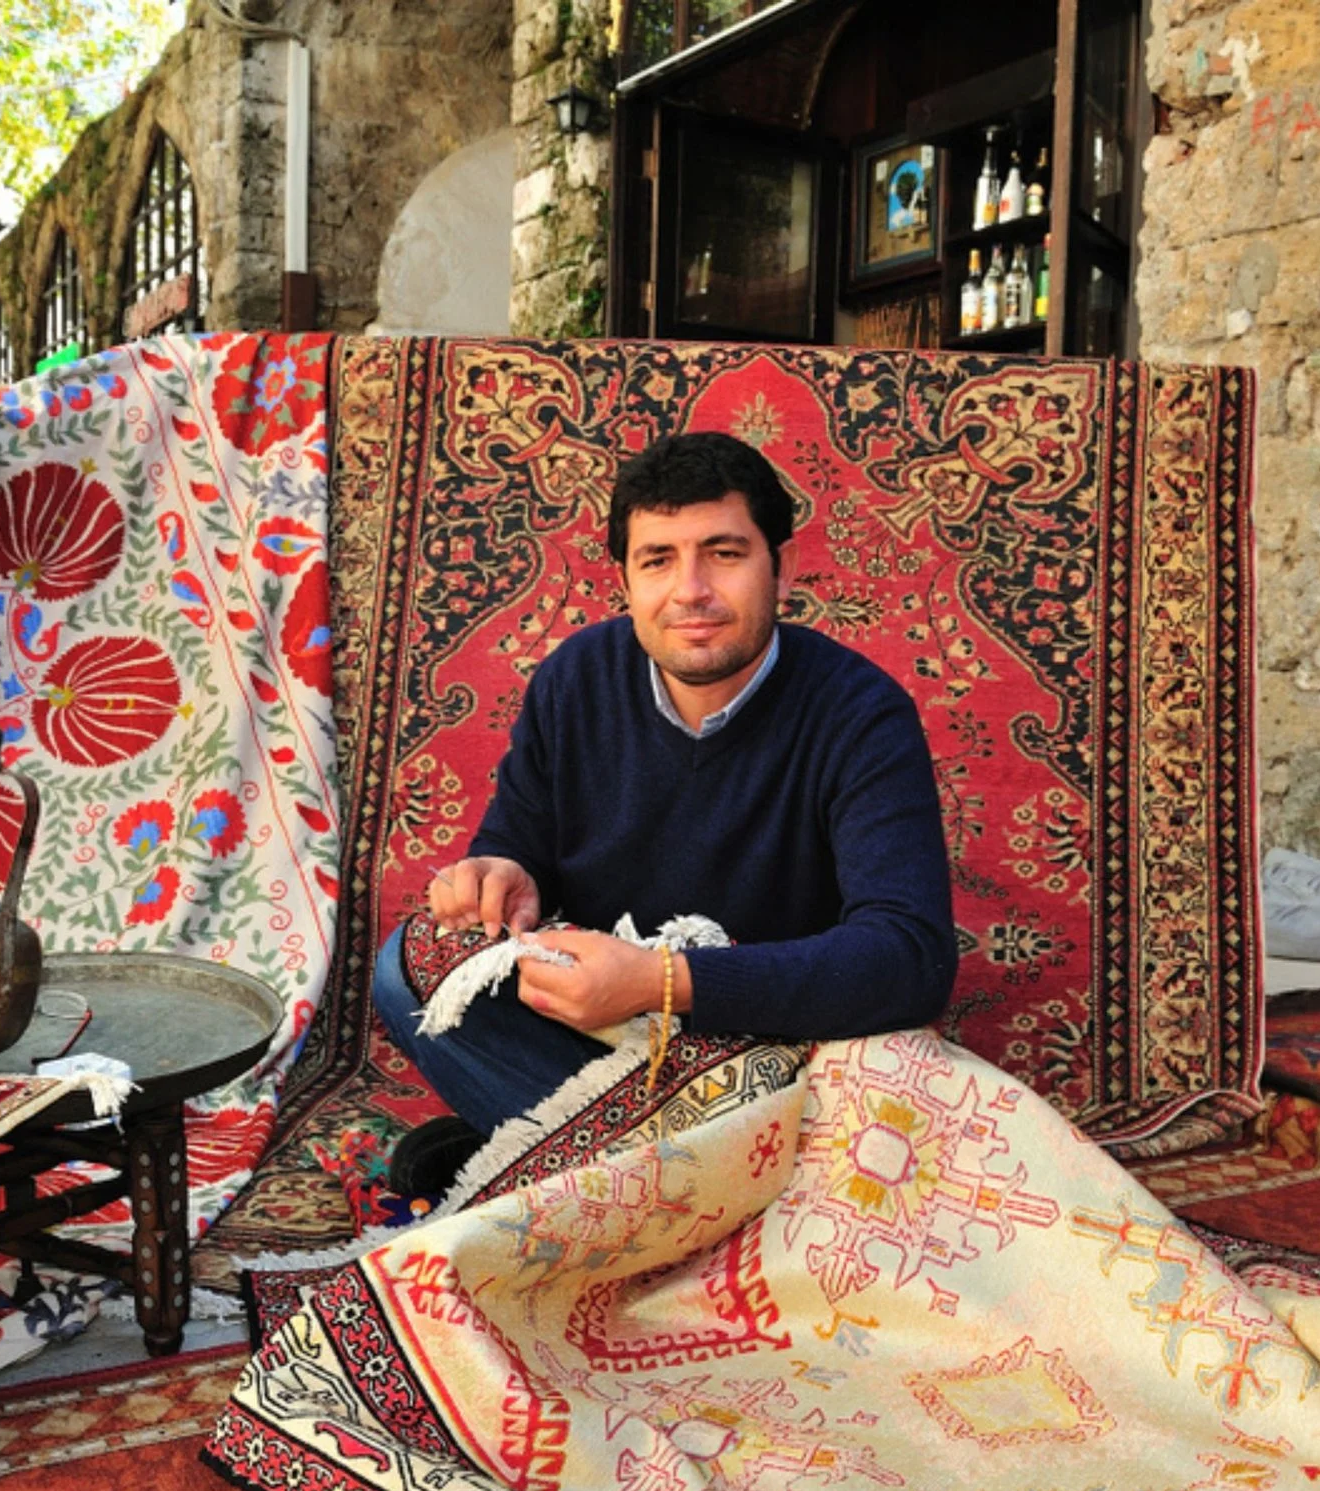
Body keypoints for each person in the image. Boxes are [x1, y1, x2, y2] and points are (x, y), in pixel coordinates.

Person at [373, 430, 955, 1199]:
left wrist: (663, 981)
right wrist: (503, 874)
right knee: (407, 965)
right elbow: (520, 843)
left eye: (724, 552)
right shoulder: (574, 680)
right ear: (624, 577)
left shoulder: (861, 714)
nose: (691, 590)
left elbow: (909, 958)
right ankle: (666, 1183)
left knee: (868, 1097)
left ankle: (574, 1169)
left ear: (781, 564)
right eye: (658, 559)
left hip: (777, 1061)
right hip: (608, 1034)